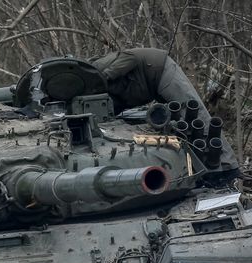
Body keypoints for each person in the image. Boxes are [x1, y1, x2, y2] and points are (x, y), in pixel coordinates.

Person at [91, 48, 238, 171]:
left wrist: (105, 76)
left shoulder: (96, 68)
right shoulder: (90, 96)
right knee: (183, 130)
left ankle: (228, 166)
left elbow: (131, 57)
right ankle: (201, 169)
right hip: (152, 90)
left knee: (198, 118)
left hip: (162, 72)